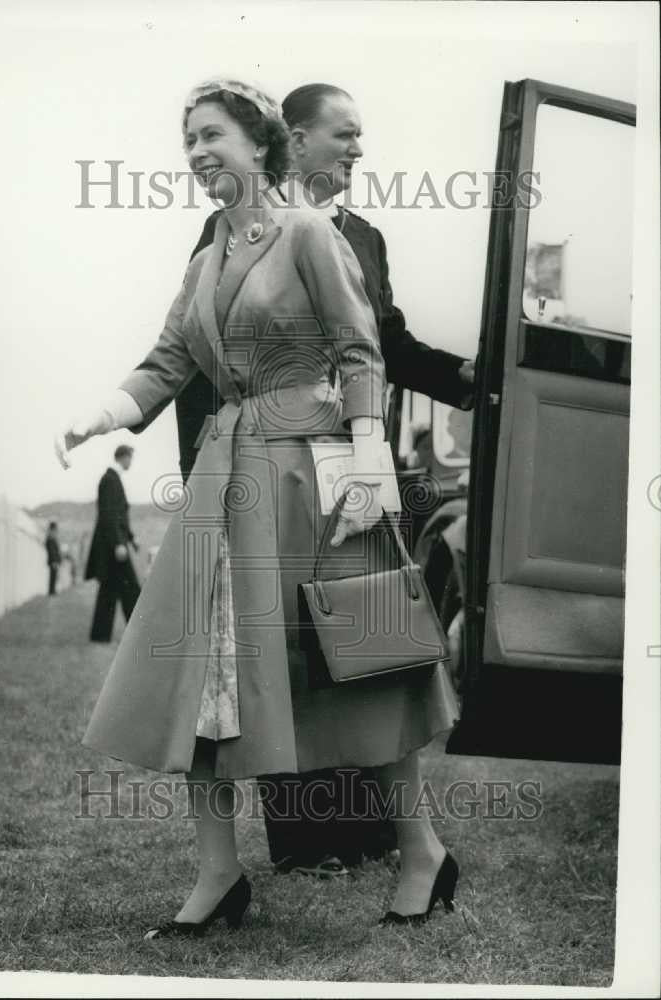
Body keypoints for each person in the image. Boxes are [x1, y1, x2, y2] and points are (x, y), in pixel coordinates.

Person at [55, 79, 459, 938]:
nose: (197, 153)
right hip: (224, 482)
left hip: (319, 470)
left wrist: (366, 474)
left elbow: (359, 353)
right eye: (188, 142)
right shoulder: (205, 258)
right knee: (201, 676)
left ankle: (421, 852)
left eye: (210, 136)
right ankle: (217, 873)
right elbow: (167, 363)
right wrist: (98, 417)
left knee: (369, 655)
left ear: (259, 140)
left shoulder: (310, 232)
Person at [180, 82, 475, 877]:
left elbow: (385, 346)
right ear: (295, 139)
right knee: (279, 650)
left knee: (364, 637)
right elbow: (199, 368)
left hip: (354, 457)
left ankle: (386, 837)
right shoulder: (226, 233)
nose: (356, 150)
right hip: (265, 467)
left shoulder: (365, 236)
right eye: (343, 135)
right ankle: (310, 837)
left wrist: (467, 378)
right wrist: (200, 484)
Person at [84, 444, 141, 642]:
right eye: (130, 458)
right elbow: (109, 514)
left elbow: (118, 517)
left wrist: (131, 540)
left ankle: (100, 635)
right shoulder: (110, 479)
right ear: (123, 457)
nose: (131, 463)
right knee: (131, 587)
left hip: (113, 543)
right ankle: (139, 632)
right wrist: (119, 543)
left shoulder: (112, 479)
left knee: (110, 588)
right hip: (113, 546)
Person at [44, 521, 62, 596]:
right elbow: (52, 551)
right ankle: (51, 591)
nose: (56, 531)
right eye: (55, 529)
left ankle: (52, 590)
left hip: (54, 560)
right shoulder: (50, 538)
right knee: (53, 576)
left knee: (54, 576)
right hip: (53, 561)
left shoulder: (51, 537)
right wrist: (54, 561)